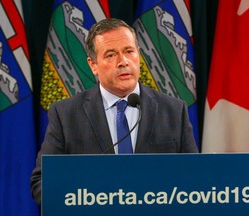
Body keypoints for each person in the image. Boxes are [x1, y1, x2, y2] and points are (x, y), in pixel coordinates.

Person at [30, 18, 198, 205]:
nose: (123, 61)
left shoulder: (174, 111)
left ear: (139, 55)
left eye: (129, 51)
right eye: (110, 55)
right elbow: (42, 182)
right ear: (93, 65)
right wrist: (83, 202)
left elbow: (193, 178)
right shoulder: (66, 115)